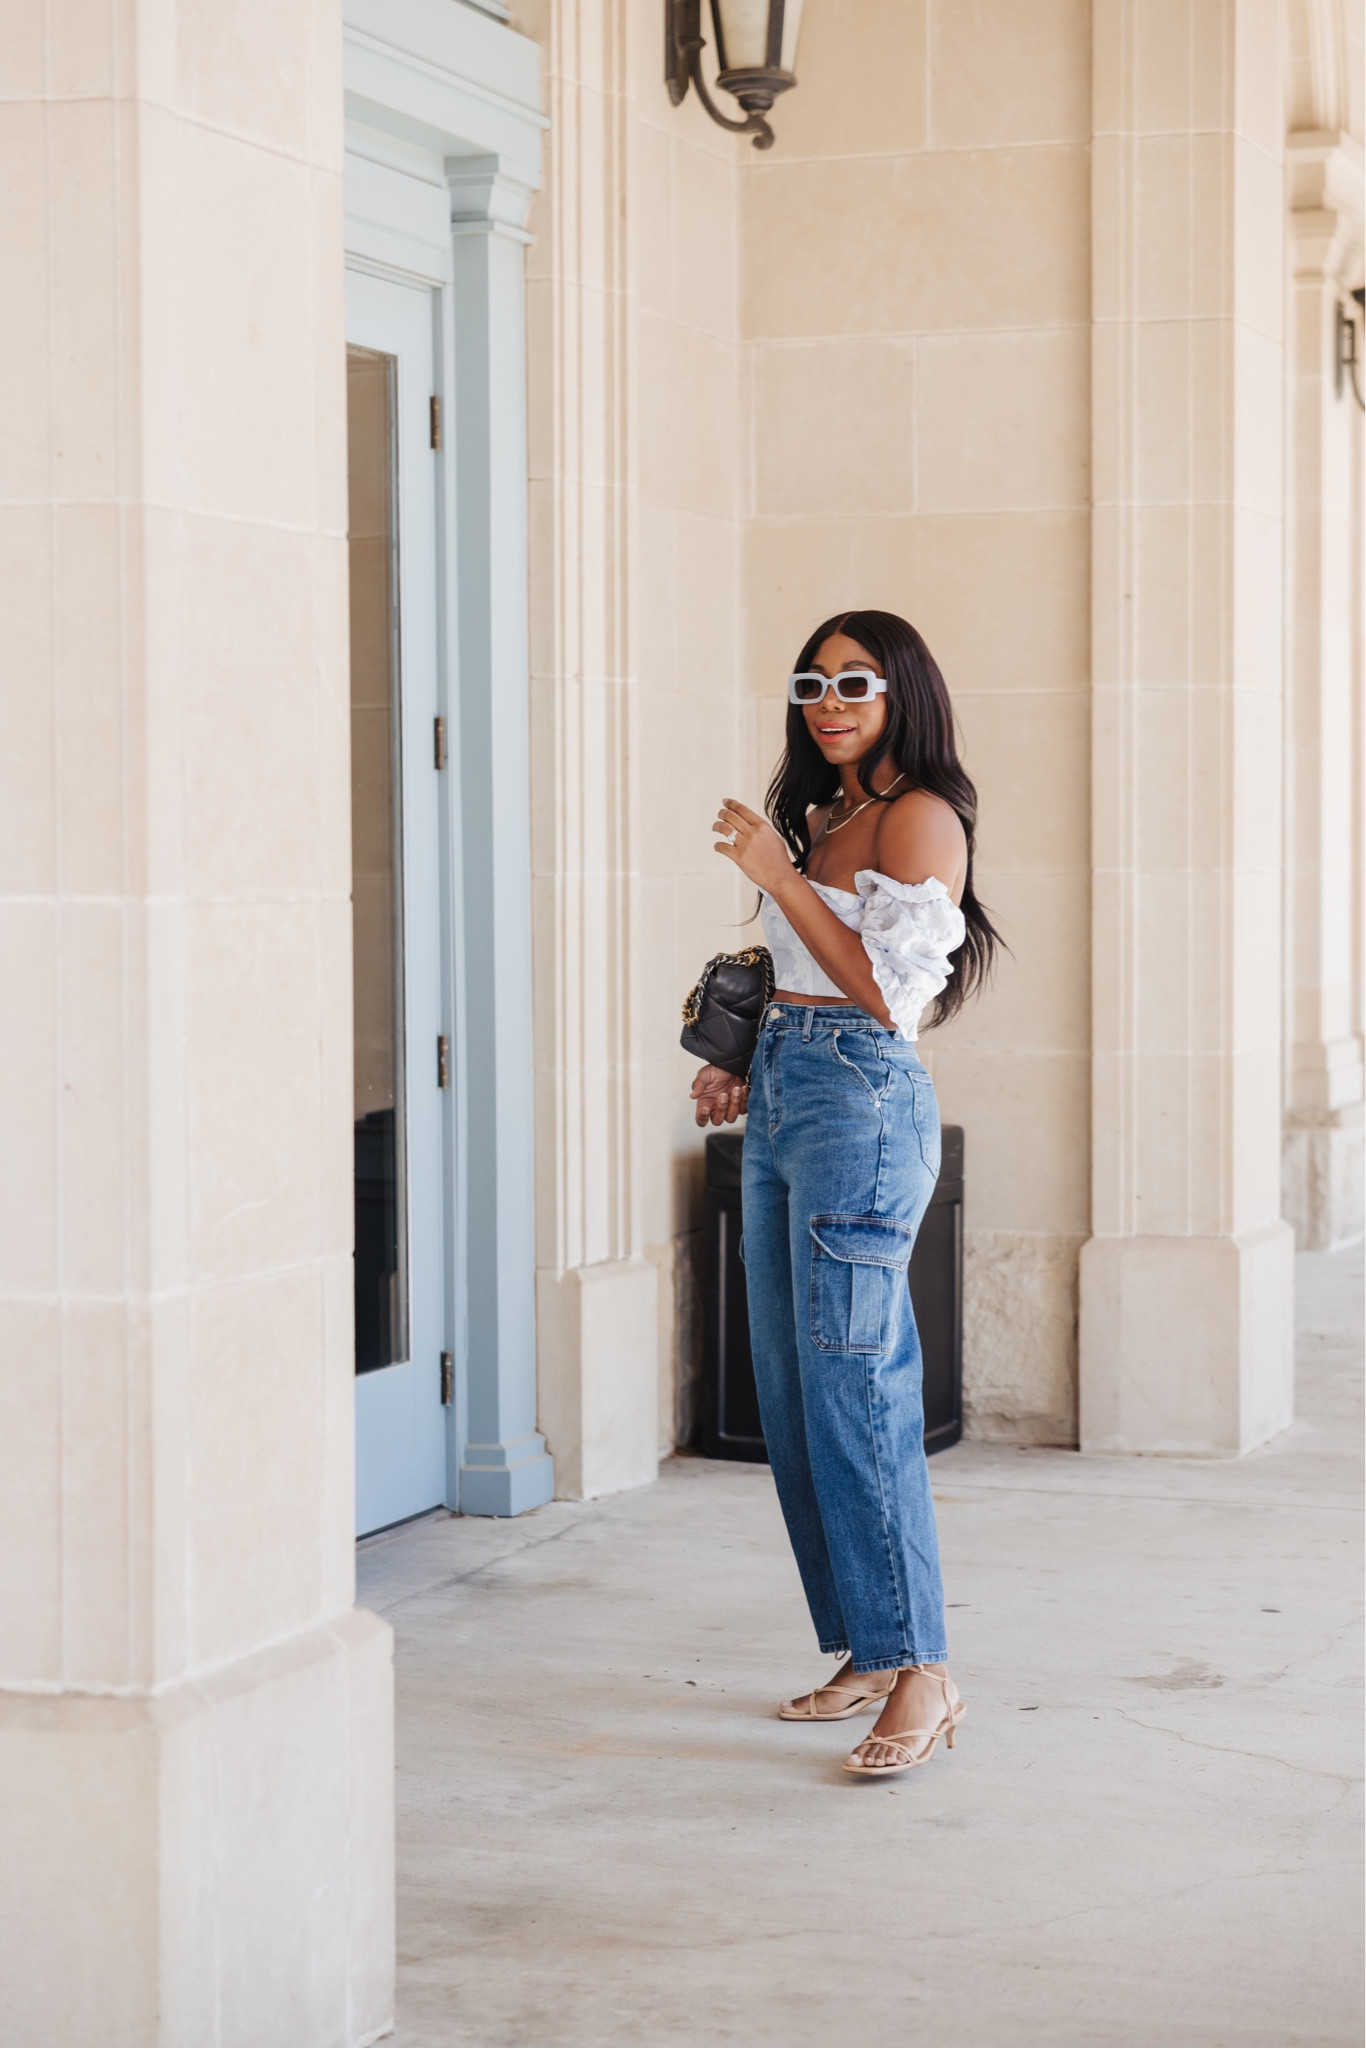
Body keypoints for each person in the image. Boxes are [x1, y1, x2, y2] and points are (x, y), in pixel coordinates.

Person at [689, 609, 999, 1780]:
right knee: (795, 1385)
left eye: (853, 682)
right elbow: (803, 971)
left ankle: (923, 1669)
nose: (828, 701)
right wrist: (734, 1053)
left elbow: (884, 994)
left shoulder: (919, 814)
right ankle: (869, 1650)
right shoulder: (820, 816)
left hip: (862, 1102)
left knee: (860, 1385)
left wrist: (775, 874)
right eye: (810, 682)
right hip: (783, 1090)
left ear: (900, 692)